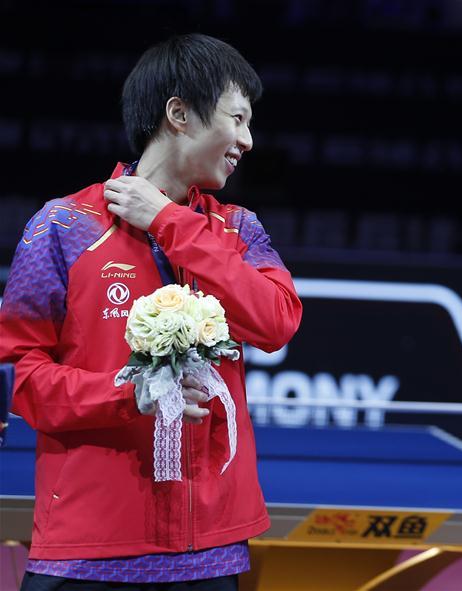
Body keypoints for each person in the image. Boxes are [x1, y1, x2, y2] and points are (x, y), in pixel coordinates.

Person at [0, 33, 302, 590]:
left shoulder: (237, 228)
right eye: (237, 118)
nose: (248, 140)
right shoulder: (63, 227)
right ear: (179, 113)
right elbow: (20, 376)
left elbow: (276, 322)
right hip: (87, 545)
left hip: (209, 549)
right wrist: (127, 395)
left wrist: (169, 220)